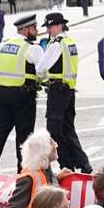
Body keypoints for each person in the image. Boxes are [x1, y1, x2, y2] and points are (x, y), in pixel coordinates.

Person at [0, 13, 43, 173]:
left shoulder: (3, 45)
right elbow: (42, 71)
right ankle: (22, 174)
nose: (36, 31)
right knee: (23, 137)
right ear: (24, 30)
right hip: (23, 95)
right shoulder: (32, 48)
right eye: (33, 28)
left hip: (2, 94)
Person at [37, 12, 90, 173]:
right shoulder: (69, 42)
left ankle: (66, 165)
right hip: (69, 89)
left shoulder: (56, 44)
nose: (48, 30)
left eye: (50, 26)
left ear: (59, 25)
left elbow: (40, 68)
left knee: (54, 129)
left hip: (58, 91)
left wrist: (43, 77)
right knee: (68, 128)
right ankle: (83, 163)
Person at [5, 132, 58, 208]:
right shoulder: (28, 178)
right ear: (44, 152)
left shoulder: (45, 168)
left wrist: (57, 177)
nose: (55, 144)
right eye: (51, 143)